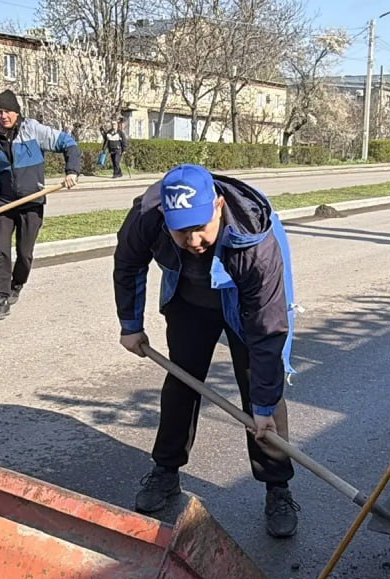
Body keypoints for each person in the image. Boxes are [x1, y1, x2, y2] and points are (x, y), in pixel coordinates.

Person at [113, 164, 302, 538]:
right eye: (181, 230)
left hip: (244, 298)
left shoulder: (255, 241)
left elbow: (268, 331)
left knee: (261, 387)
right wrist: (131, 325)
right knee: (182, 380)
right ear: (165, 217)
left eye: (200, 226)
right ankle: (165, 471)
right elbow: (128, 264)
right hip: (189, 294)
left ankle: (277, 486)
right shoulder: (146, 217)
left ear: (217, 206)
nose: (193, 239)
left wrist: (263, 409)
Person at [0, 90, 82, 320]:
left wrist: (72, 171)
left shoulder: (33, 130)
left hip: (32, 200)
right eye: (0, 111)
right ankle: (1, 297)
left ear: (17, 112)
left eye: (8, 112)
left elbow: (68, 143)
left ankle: (17, 283)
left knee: (24, 253)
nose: (3, 116)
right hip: (3, 202)